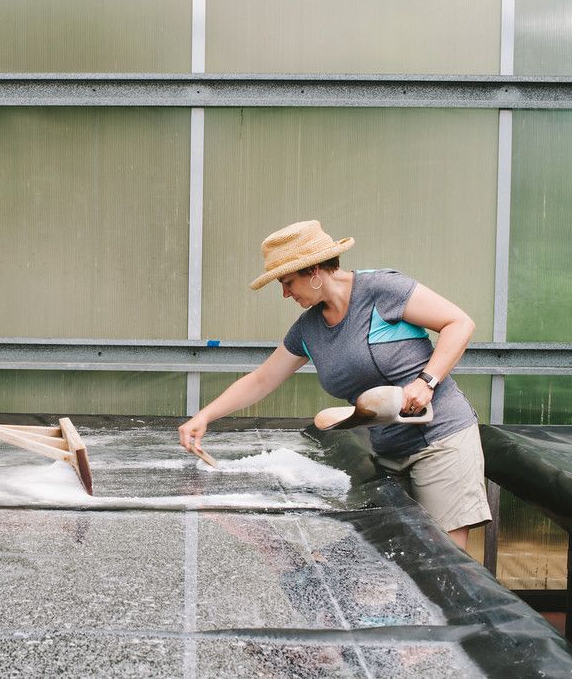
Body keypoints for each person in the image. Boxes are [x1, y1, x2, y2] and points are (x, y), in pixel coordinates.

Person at [178, 220, 491, 549]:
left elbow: (459, 323)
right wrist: (204, 416)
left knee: (443, 560)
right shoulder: (308, 329)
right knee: (389, 559)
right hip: (388, 451)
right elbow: (262, 380)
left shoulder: (381, 291)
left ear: (313, 270)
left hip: (441, 439)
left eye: (287, 282)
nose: (285, 294)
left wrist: (427, 381)